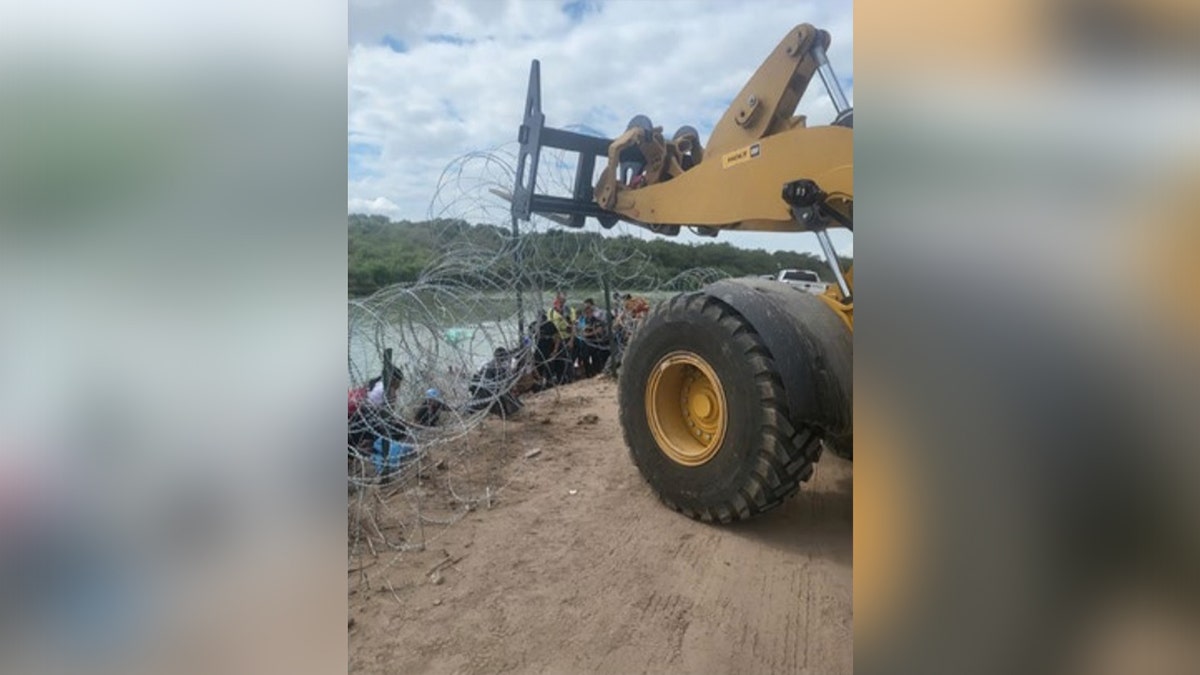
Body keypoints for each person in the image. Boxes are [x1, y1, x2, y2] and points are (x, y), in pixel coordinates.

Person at [467, 347, 523, 417]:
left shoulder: (486, 365)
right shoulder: (498, 368)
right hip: (488, 392)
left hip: (481, 390)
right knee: (508, 401)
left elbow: (474, 380)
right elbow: (504, 384)